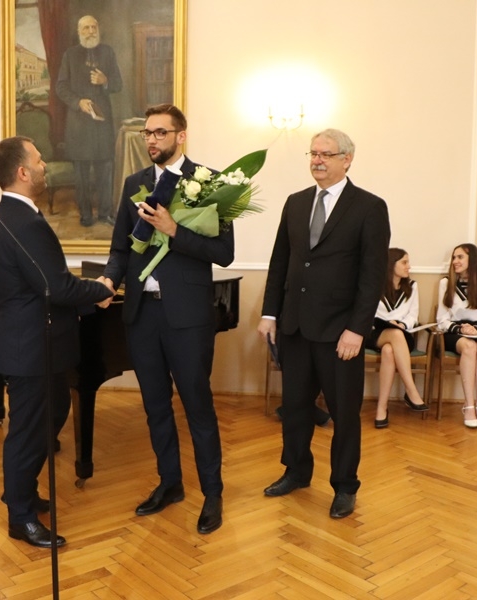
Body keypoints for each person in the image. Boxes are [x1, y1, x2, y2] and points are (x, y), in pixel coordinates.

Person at [102, 103, 231, 534]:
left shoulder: (209, 183)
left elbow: (223, 253)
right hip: (141, 314)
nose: (152, 139)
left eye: (161, 132)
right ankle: (170, 483)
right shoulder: (134, 183)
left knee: (197, 406)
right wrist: (109, 280)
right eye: (147, 133)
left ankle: (212, 494)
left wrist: (175, 231)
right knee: (155, 406)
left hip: (188, 317)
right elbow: (121, 247)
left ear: (181, 136)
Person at [0, 136, 114, 548]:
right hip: (30, 348)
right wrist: (100, 289)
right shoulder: (21, 221)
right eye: (39, 161)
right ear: (23, 172)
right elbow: (56, 287)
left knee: (53, 414)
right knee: (27, 433)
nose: (45, 167)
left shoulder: (15, 215)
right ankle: (20, 517)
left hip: (40, 345)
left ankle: (22, 492)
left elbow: (45, 284)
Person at [258, 128, 390, 519]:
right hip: (295, 327)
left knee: (344, 414)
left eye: (326, 154)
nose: (317, 160)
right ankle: (296, 471)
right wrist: (269, 314)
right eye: (313, 153)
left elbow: (372, 276)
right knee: (295, 407)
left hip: (340, 333)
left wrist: (357, 329)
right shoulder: (296, 203)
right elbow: (280, 261)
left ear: (347, 159)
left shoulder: (369, 207)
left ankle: (345, 486)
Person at [55, 15, 122, 227]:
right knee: (81, 174)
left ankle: (105, 213)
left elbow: (118, 84)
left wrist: (105, 81)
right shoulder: (70, 55)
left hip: (102, 124)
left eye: (94, 27)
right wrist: (78, 102)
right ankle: (85, 215)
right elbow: (61, 87)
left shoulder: (108, 52)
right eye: (86, 28)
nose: (91, 31)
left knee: (106, 170)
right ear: (79, 32)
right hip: (79, 125)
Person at [436, 243, 477, 430]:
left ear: (473, 260)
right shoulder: (446, 283)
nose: (455, 261)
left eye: (460, 257)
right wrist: (461, 329)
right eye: (454, 257)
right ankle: (469, 405)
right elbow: (441, 319)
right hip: (454, 334)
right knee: (469, 347)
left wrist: (476, 330)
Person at [368, 248, 429, 429]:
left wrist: (402, 324)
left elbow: (413, 315)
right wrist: (389, 323)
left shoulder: (412, 286)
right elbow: (368, 312)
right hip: (376, 332)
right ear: (391, 264)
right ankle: (411, 390)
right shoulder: (374, 285)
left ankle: (382, 408)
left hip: (402, 334)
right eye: (404, 262)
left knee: (389, 350)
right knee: (393, 335)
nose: (408, 266)